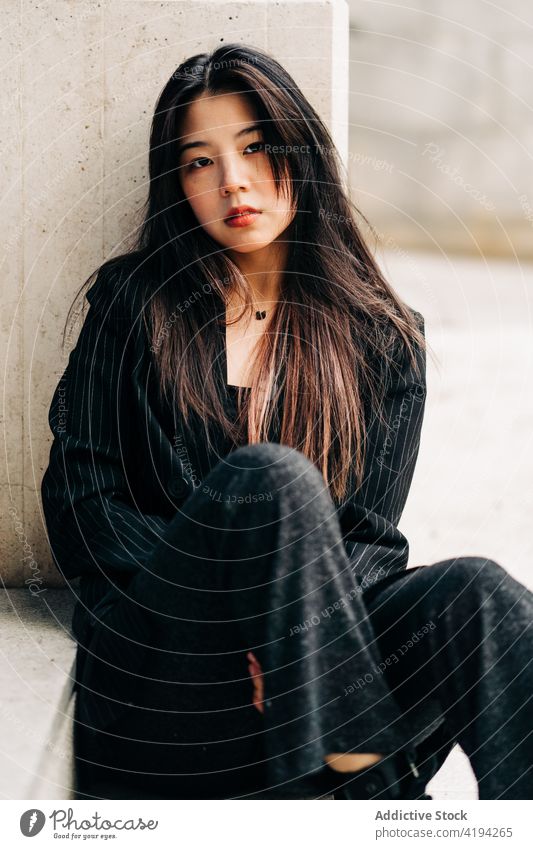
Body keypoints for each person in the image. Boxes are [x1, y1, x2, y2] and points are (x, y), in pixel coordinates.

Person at [41, 43, 533, 800]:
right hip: (168, 676)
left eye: (255, 147)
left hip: (305, 696)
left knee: (479, 594)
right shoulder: (135, 304)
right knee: (272, 482)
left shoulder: (385, 339)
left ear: (299, 152)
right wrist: (240, 617)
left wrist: (294, 637)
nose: (232, 180)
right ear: (177, 185)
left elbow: (366, 541)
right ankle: (371, 794)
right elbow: (84, 505)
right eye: (199, 162)